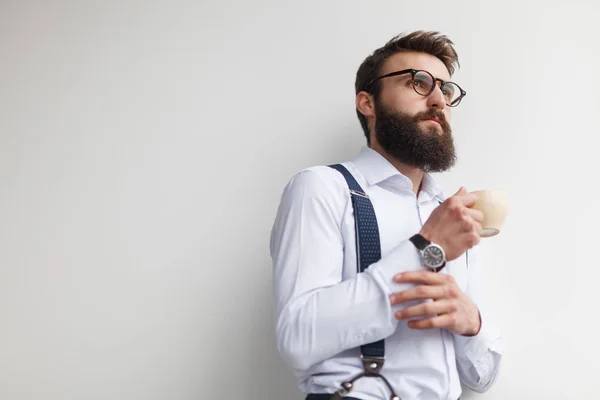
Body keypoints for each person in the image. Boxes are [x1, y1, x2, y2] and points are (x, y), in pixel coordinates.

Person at [269, 31, 502, 400]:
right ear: (368, 102)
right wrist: (427, 248)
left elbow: (482, 378)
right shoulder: (324, 188)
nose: (439, 100)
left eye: (446, 90)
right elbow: (298, 337)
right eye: (418, 82)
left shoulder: (449, 213)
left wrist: (471, 324)